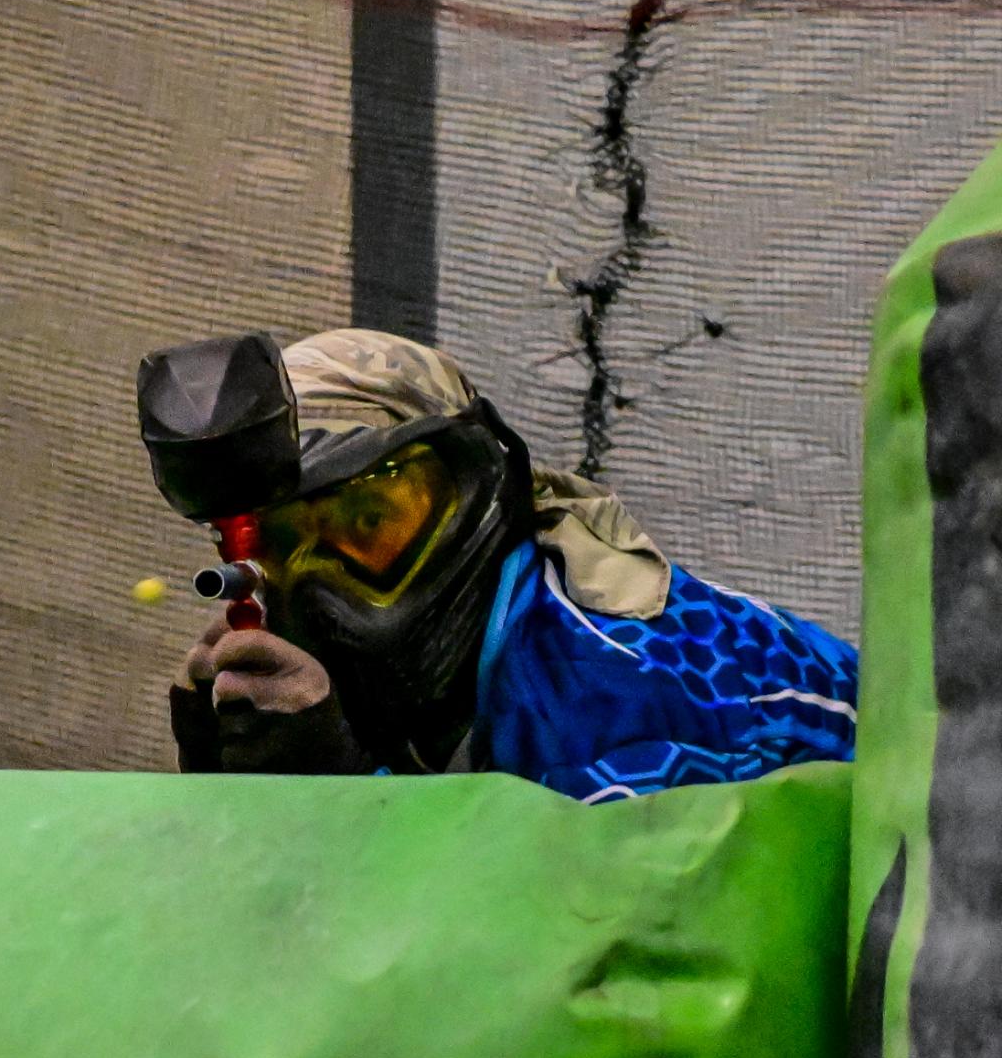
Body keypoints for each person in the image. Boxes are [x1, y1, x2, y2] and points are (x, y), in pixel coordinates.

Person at [141, 328, 857, 802]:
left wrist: (342, 795)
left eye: (368, 523)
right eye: (279, 545)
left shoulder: (621, 690)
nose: (325, 585)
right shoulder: (448, 678)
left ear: (475, 486)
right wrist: (235, 807)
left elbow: (557, 956)